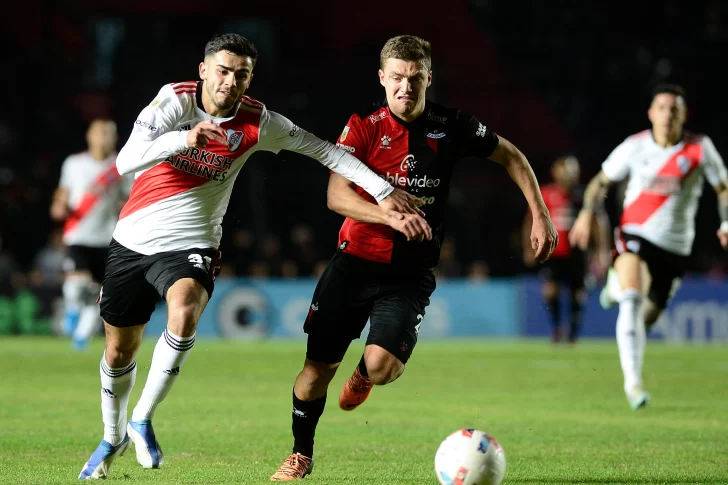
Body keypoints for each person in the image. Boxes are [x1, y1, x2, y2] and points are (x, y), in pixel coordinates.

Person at [78, 33, 425, 480]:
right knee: (118, 349)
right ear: (204, 70)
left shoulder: (259, 121)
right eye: (222, 70)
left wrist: (382, 190)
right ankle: (112, 435)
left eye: (241, 73)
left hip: (194, 242)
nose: (230, 81)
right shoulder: (173, 103)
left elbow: (324, 150)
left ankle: (142, 419)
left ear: (249, 78)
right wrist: (184, 138)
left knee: (183, 311)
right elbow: (127, 161)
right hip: (133, 240)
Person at [271, 34, 558, 481]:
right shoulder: (363, 127)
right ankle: (300, 454)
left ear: (428, 78)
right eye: (397, 79)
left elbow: (513, 157)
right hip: (352, 267)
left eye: (414, 78)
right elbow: (335, 195)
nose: (405, 88)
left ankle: (364, 375)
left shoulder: (453, 125)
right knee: (315, 372)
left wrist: (539, 213)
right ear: (382, 79)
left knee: (384, 367)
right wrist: (387, 213)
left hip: (408, 275)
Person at [569, 83, 728, 410]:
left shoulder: (700, 148)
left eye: (674, 109)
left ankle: (614, 287)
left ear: (684, 115)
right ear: (651, 113)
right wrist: (586, 212)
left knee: (647, 318)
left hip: (676, 248)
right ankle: (634, 384)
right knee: (632, 300)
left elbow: (723, 188)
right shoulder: (634, 147)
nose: (668, 114)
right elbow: (600, 181)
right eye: (662, 107)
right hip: (635, 235)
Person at [50, 119, 130, 350]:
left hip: (107, 237)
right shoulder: (74, 163)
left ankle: (81, 338)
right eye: (100, 133)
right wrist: (59, 203)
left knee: (98, 292)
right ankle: (73, 309)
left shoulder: (121, 166)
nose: (104, 137)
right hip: (78, 234)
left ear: (115, 138)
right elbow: (64, 190)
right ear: (90, 136)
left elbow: (128, 198)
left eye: (109, 133)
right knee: (76, 284)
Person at [523, 155, 610, 343]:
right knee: (550, 291)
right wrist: (528, 247)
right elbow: (530, 220)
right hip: (552, 253)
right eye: (564, 170)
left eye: (572, 170)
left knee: (577, 294)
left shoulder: (585, 195)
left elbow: (598, 223)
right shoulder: (544, 194)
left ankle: (573, 335)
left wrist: (601, 252)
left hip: (578, 252)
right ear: (555, 172)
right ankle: (556, 328)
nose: (568, 174)